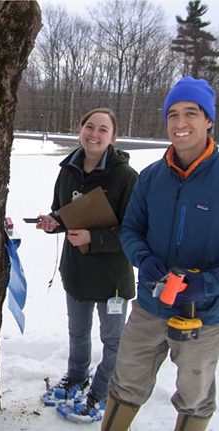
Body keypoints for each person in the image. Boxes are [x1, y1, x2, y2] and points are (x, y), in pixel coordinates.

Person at [102, 77, 219, 431]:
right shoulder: (152, 177)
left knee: (195, 394)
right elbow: (130, 230)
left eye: (190, 114)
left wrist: (208, 283)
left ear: (209, 120)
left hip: (204, 315)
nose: (180, 124)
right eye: (173, 115)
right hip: (151, 306)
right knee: (126, 381)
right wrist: (144, 259)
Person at [36, 108, 138, 423]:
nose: (94, 133)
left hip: (113, 280)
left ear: (113, 137)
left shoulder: (125, 177)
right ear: (80, 129)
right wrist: (54, 222)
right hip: (77, 272)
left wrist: (93, 239)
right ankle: (77, 377)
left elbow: (133, 230)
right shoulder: (68, 169)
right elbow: (61, 210)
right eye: (89, 126)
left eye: (102, 129)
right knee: (78, 333)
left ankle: (102, 391)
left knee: (113, 341)